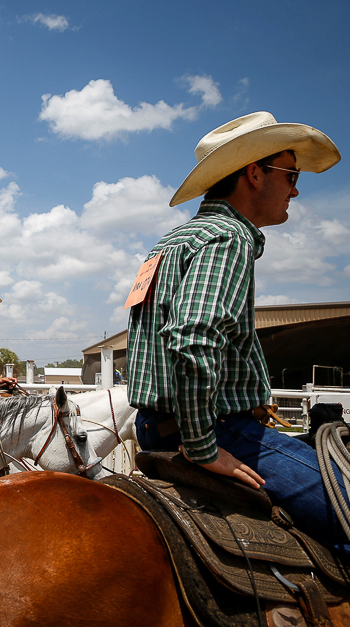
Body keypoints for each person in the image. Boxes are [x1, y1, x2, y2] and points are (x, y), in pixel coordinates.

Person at [126, 112, 347, 551]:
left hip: (154, 425)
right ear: (254, 174)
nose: (296, 188)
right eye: (291, 174)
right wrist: (203, 444)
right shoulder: (230, 237)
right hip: (215, 429)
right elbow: (193, 336)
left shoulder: (172, 241)